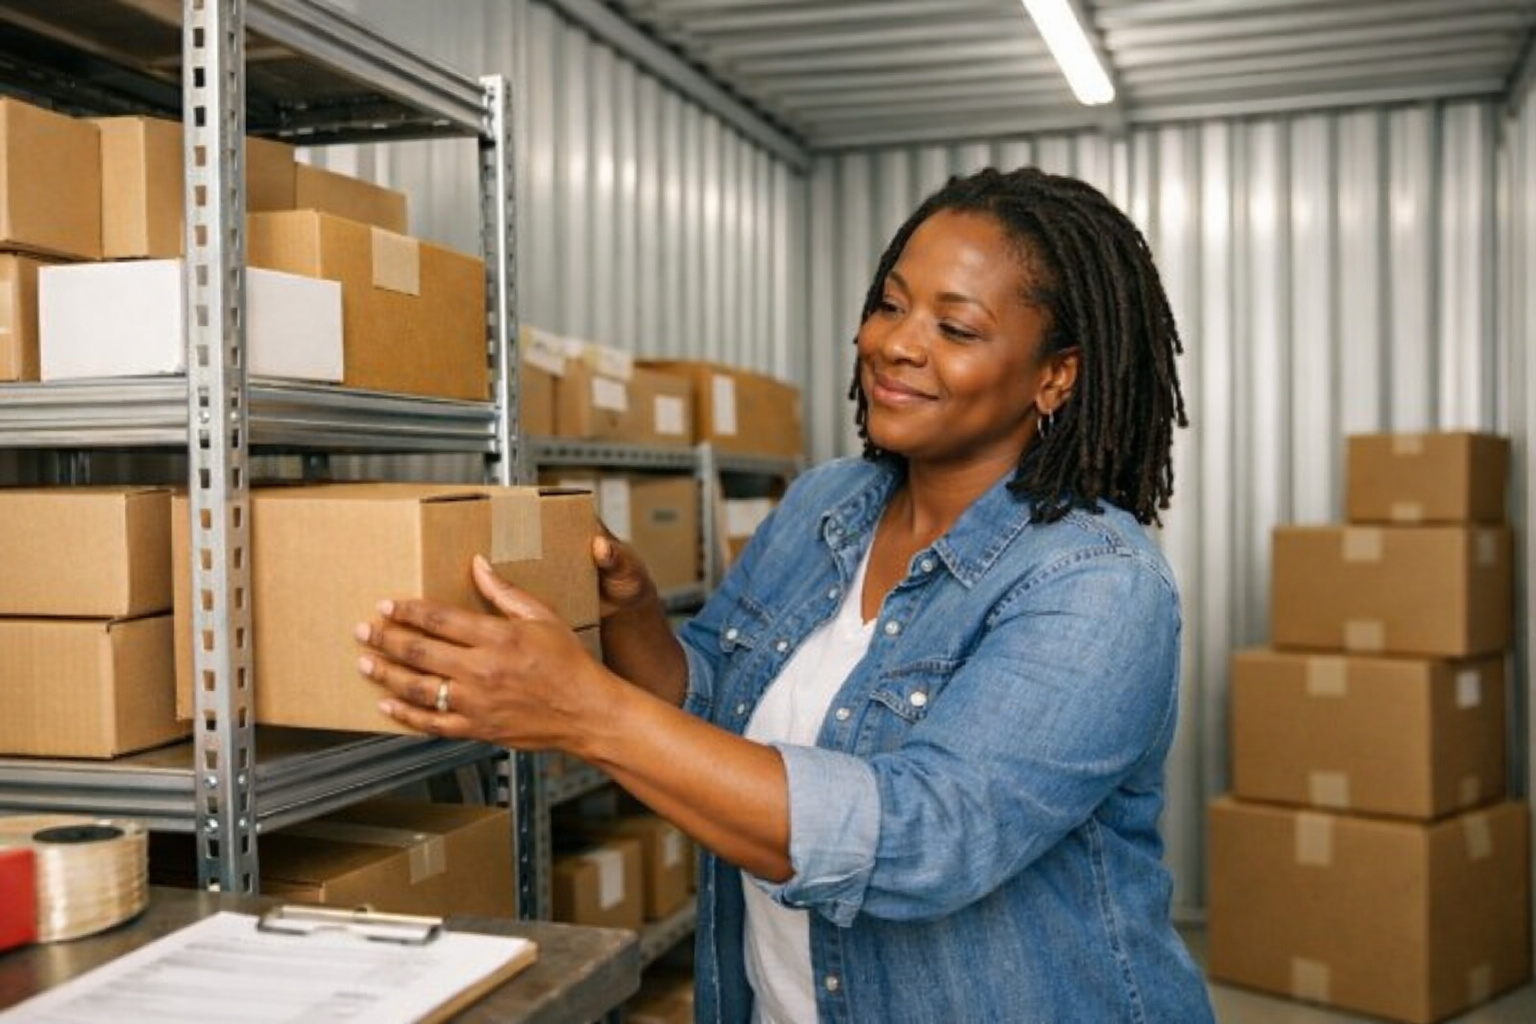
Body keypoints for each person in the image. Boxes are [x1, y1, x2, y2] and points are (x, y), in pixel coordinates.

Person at [353, 165, 1216, 1024]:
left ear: (1054, 376)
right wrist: (633, 617)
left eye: (954, 326)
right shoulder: (825, 506)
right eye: (889, 304)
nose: (896, 344)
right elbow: (712, 716)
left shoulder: (1097, 583)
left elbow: (924, 838)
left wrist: (586, 712)